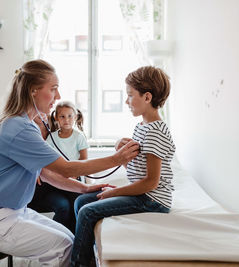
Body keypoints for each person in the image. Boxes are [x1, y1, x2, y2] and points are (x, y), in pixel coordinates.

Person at [0, 59, 139, 267]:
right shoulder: (19, 128)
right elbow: (65, 168)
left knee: (70, 241)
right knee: (62, 246)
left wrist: (84, 188)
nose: (58, 96)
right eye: (53, 89)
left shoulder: (25, 124)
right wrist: (117, 159)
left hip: (10, 212)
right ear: (33, 91)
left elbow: (44, 172)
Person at [71, 66, 176, 267]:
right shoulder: (141, 127)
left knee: (87, 212)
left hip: (153, 200)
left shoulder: (155, 132)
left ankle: (78, 264)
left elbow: (151, 182)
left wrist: (116, 192)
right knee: (80, 202)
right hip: (141, 193)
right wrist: (123, 154)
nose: (126, 101)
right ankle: (87, 255)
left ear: (147, 97)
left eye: (129, 95)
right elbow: (137, 172)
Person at [28, 101, 88, 233]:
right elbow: (45, 159)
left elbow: (84, 160)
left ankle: (73, 238)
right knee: (67, 205)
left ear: (75, 117)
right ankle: (58, 238)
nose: (66, 120)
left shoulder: (79, 137)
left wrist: (75, 174)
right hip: (55, 182)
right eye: (62, 117)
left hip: (72, 178)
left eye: (69, 116)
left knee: (75, 203)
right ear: (56, 118)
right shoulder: (52, 137)